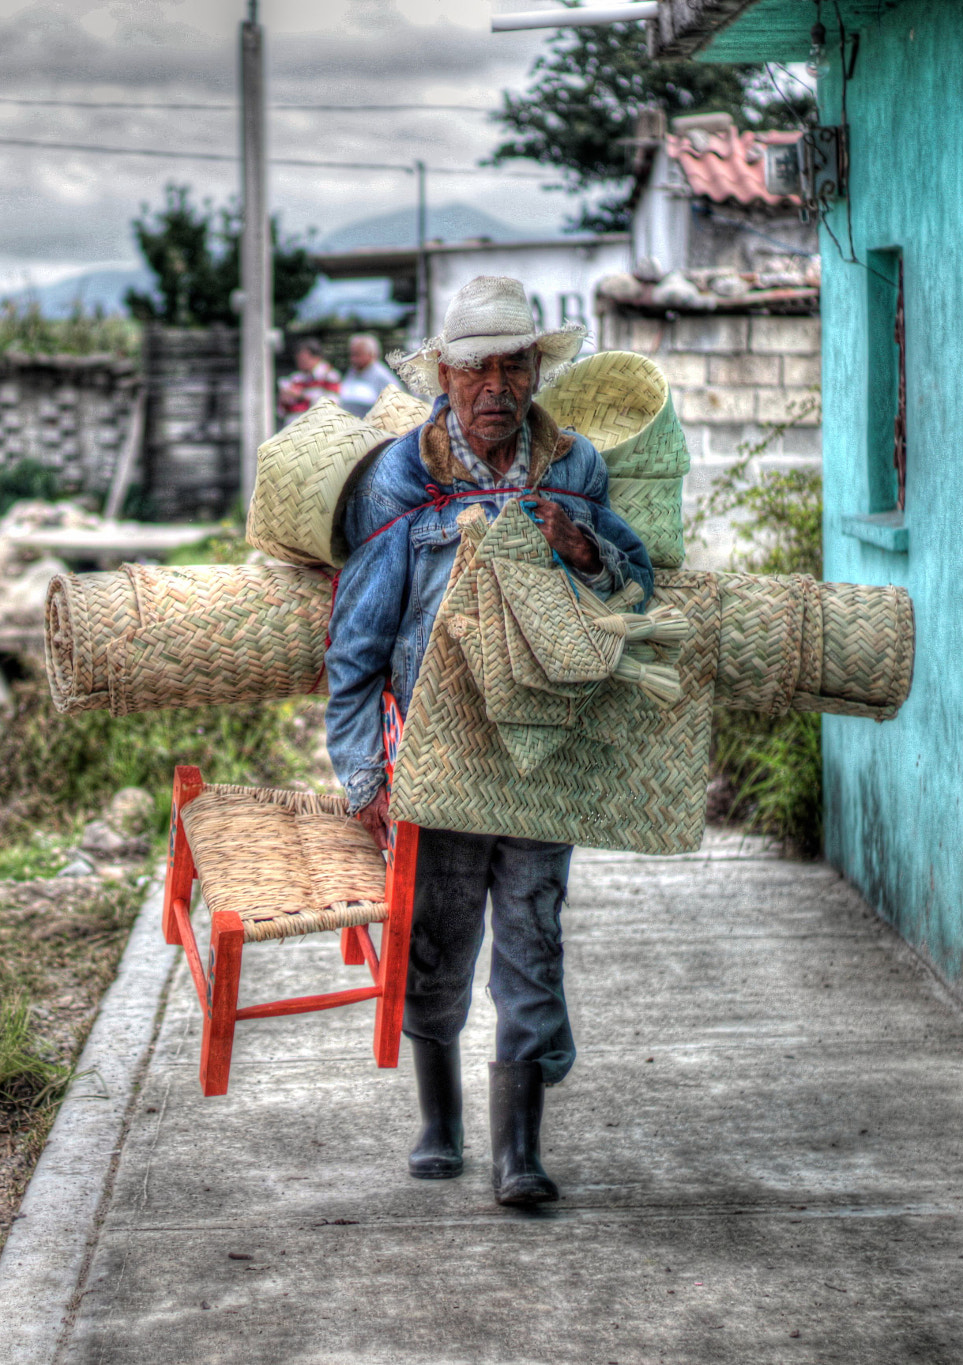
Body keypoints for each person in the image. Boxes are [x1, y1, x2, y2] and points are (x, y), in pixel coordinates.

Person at [324, 275, 650, 1207]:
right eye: (478, 369)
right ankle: (439, 1121)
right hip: (436, 752)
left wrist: (584, 549)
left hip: (543, 748)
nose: (497, 386)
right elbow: (357, 643)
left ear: (535, 370)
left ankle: (519, 1153)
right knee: (437, 935)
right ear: (447, 375)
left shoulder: (574, 467)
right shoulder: (404, 475)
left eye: (514, 365)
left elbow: (635, 586)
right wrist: (365, 769)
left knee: (532, 938)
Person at [335, 333, 401, 418]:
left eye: (357, 355)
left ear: (371, 354)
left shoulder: (381, 375)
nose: (353, 359)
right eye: (352, 355)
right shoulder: (353, 372)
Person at [276, 340, 340, 421]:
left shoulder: (330, 376)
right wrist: (284, 401)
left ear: (316, 357)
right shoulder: (295, 379)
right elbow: (281, 413)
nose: (300, 363)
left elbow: (332, 405)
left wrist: (301, 395)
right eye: (298, 360)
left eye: (304, 359)